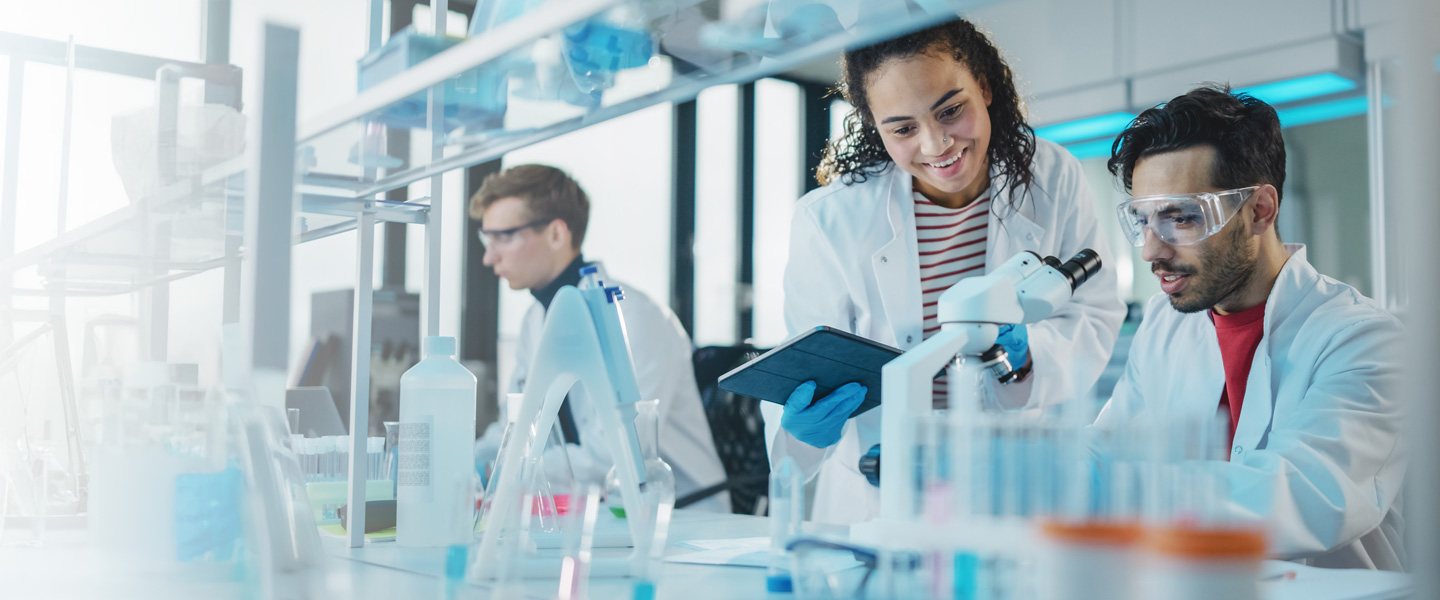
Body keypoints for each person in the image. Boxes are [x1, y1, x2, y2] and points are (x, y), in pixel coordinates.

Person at [767, 18, 1126, 525]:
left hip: (1014, 480)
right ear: (874, 124)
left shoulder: (1052, 176)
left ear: (984, 84)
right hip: (878, 494)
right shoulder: (830, 218)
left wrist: (1024, 360)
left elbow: (1094, 313)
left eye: (951, 111)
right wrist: (802, 428)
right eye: (903, 129)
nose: (936, 145)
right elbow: (807, 357)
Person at [1095, 85, 1405, 570]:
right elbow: (1109, 446)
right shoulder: (1163, 323)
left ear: (1260, 209)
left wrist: (1116, 490)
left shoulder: (1362, 339)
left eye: (1181, 217)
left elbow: (1302, 493)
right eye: (1143, 220)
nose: (1151, 251)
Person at [469, 164, 729, 512]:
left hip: (683, 520)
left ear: (557, 234)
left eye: (503, 236)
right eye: (486, 239)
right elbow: (515, 429)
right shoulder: (536, 321)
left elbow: (613, 453)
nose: (489, 256)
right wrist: (466, 466)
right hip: (593, 512)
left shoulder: (632, 315)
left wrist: (506, 472)